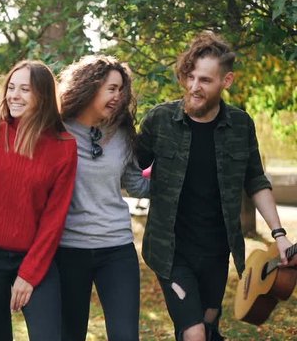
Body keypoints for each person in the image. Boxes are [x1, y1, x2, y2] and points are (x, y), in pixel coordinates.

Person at [135, 31, 297, 340]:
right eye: (190, 77)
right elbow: (127, 165)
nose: (194, 87)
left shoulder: (240, 125)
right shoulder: (160, 120)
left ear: (227, 81)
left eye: (205, 81)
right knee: (194, 331)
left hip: (216, 251)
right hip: (170, 252)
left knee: (208, 329)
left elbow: (255, 180)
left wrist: (279, 234)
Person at [0, 60, 78, 340]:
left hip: (35, 260)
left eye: (24, 89)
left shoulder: (64, 146)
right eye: (11, 87)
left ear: (42, 95)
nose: (13, 95)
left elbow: (55, 219)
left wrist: (29, 274)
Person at [55, 55, 149, 341]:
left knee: (125, 336)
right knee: (70, 335)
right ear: (89, 86)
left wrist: (177, 177)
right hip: (69, 249)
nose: (118, 96)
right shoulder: (56, 131)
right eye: (111, 88)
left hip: (116, 249)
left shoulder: (122, 133)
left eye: (122, 90)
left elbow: (136, 185)